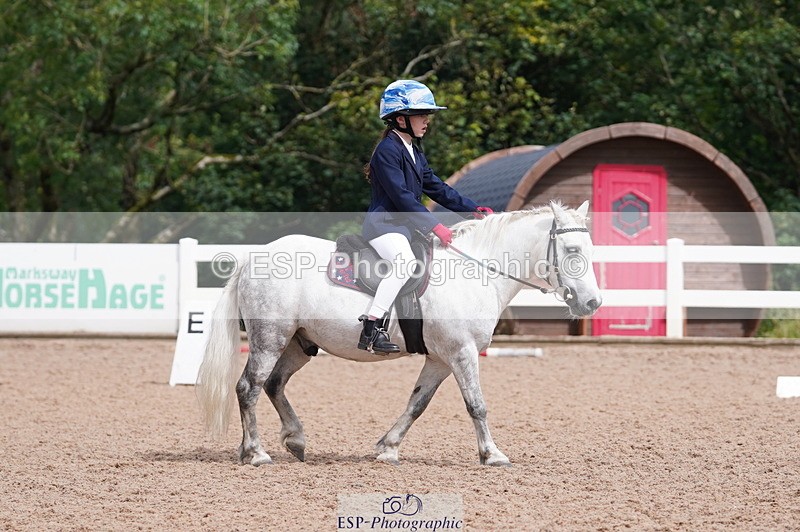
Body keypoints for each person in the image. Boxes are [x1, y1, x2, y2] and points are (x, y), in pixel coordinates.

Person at [358, 79, 494, 353]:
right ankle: (372, 328)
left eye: (427, 115)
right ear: (400, 119)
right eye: (421, 115)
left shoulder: (414, 152)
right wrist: (435, 225)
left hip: (405, 229)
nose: (427, 120)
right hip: (384, 227)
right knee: (405, 263)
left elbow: (437, 188)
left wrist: (470, 209)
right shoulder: (387, 151)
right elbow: (403, 198)